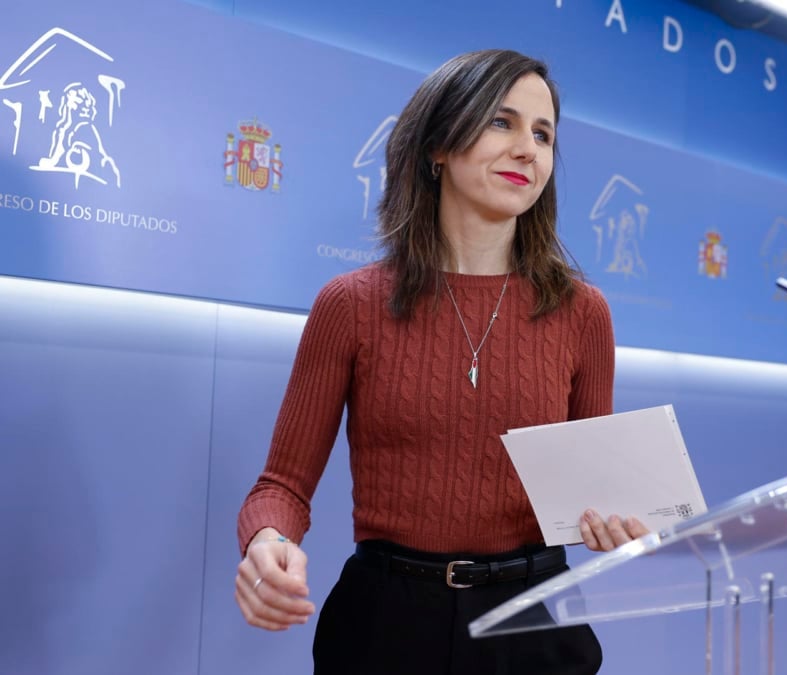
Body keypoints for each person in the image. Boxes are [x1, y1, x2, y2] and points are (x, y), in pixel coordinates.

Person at [233, 49, 649, 674]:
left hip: (532, 624)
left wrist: (614, 520)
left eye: (544, 135)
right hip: (385, 623)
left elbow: (595, 494)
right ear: (438, 146)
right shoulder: (350, 304)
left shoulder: (583, 313)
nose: (528, 151)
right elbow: (281, 487)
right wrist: (268, 541)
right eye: (502, 122)